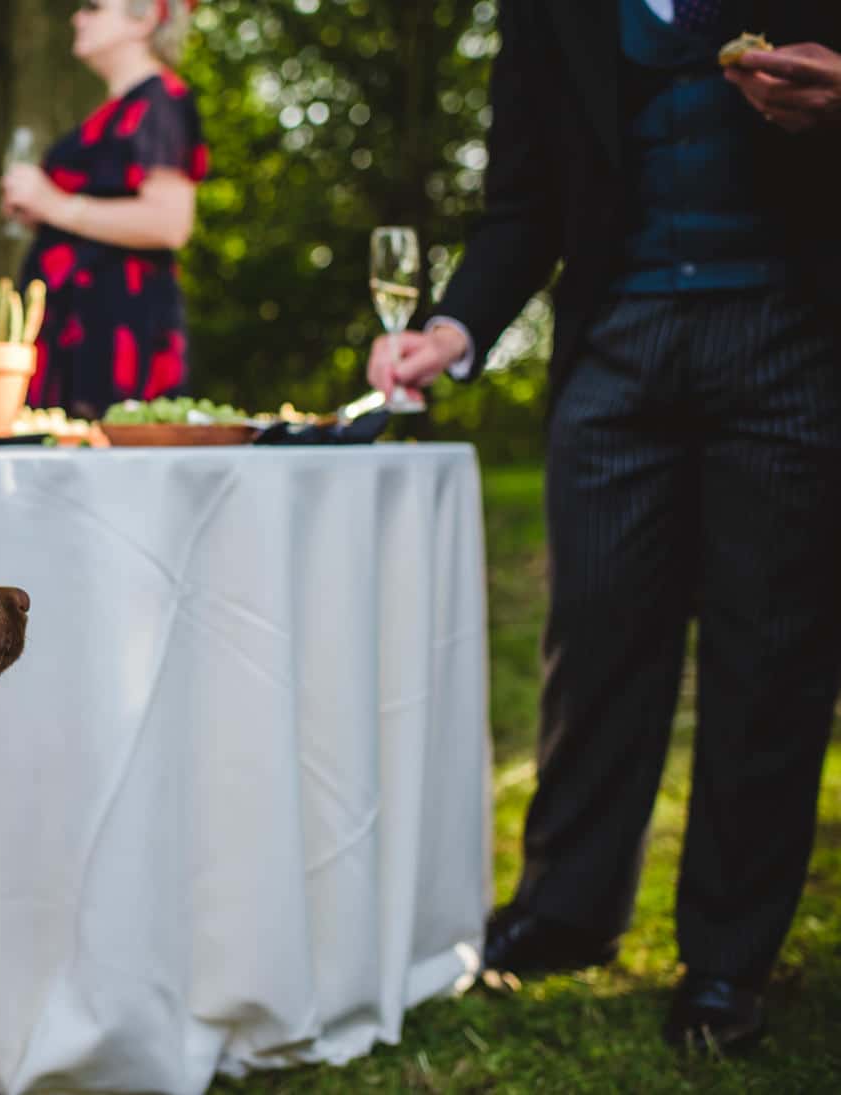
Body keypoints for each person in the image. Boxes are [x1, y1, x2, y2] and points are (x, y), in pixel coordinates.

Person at [366, 1, 841, 1051]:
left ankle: (724, 962)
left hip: (792, 336)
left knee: (767, 660)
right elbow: (521, 203)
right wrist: (449, 329)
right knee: (595, 639)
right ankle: (565, 911)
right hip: (613, 348)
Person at [0, 0, 207, 419]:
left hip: (117, 332)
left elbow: (170, 223)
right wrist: (39, 211)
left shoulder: (160, 102)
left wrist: (54, 204)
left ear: (144, 20)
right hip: (77, 324)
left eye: (94, 7)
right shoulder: (117, 109)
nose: (78, 17)